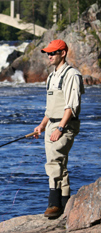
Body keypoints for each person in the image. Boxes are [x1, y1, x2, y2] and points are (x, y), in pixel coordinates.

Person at [34, 39, 84, 218]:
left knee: (54, 161)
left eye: (53, 52)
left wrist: (60, 128)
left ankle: (54, 204)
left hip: (65, 124)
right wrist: (42, 125)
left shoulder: (72, 75)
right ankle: (64, 203)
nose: (49, 56)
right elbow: (50, 108)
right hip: (51, 124)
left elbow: (71, 106)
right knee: (59, 163)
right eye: (48, 53)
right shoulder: (51, 76)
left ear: (63, 53)